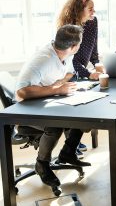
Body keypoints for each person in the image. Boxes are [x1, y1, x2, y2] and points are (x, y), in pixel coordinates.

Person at [15, 25, 91, 188]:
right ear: (73, 46)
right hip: (26, 109)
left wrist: (60, 84)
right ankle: (41, 164)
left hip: (47, 101)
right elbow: (20, 93)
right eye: (80, 44)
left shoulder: (65, 52)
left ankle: (68, 153)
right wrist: (56, 89)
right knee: (55, 125)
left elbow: (69, 73)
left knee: (80, 114)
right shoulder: (42, 60)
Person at [57, 0, 101, 157]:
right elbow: (69, 60)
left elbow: (93, 49)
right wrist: (88, 73)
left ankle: (72, 144)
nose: (93, 12)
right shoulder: (67, 28)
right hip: (68, 73)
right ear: (79, 9)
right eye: (90, 8)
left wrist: (98, 64)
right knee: (77, 107)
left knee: (86, 104)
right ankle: (71, 146)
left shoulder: (93, 22)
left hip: (82, 71)